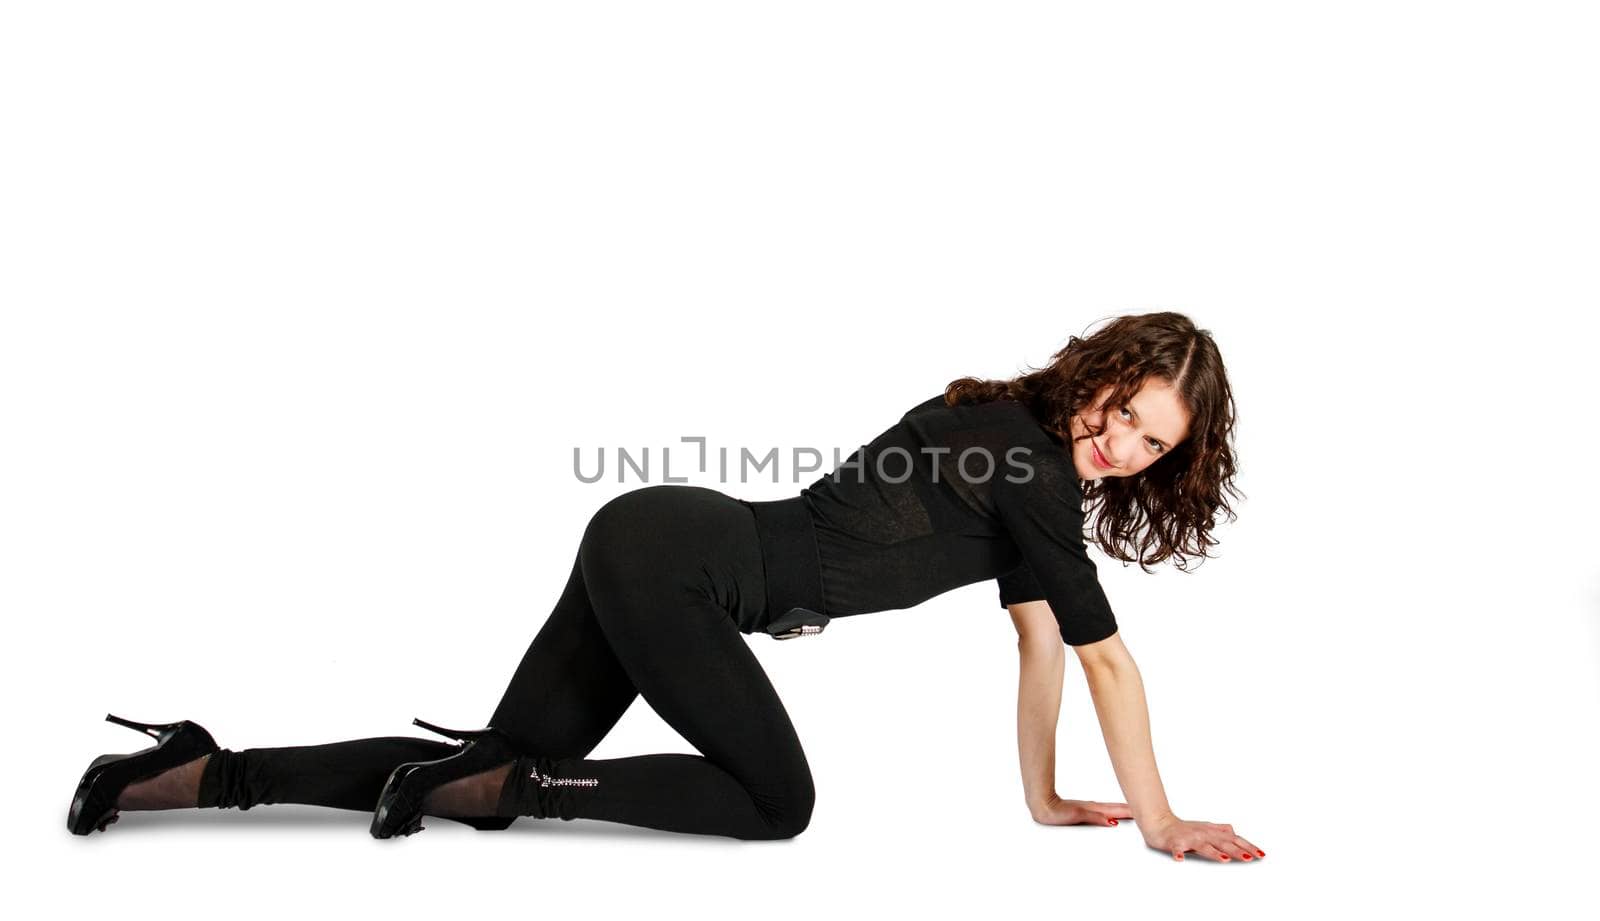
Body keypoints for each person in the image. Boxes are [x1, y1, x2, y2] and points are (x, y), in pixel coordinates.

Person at [67, 310, 1264, 863]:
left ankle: (194, 770)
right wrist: (1157, 823)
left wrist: (1047, 798)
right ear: (1098, 378)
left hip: (657, 544)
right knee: (773, 800)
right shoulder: (1028, 464)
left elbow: (1042, 646)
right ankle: (525, 788)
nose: (1123, 446)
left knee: (485, 762)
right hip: (683, 564)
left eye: (1152, 444)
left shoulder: (1015, 453)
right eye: (1122, 413)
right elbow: (1109, 657)